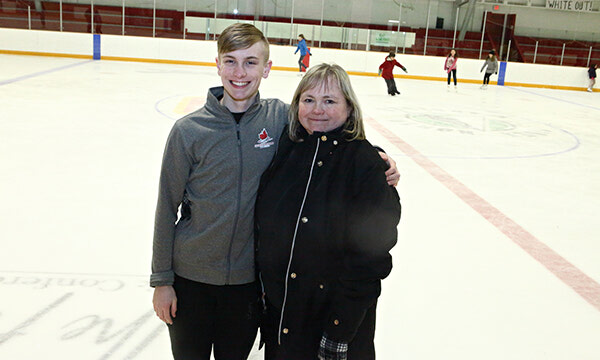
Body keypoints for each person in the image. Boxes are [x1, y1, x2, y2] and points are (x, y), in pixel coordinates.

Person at [151, 24, 400, 360]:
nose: (240, 73)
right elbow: (166, 207)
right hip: (191, 277)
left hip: (246, 284)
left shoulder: (279, 117)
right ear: (218, 64)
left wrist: (378, 158)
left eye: (251, 62)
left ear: (266, 68)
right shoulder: (189, 131)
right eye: (231, 62)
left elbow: (328, 134)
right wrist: (161, 280)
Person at [255, 63, 401, 360]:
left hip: (332, 329)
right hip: (282, 323)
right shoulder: (288, 149)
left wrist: (338, 332)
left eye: (330, 101)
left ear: (350, 107)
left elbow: (370, 262)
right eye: (308, 100)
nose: (317, 109)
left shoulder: (365, 165)